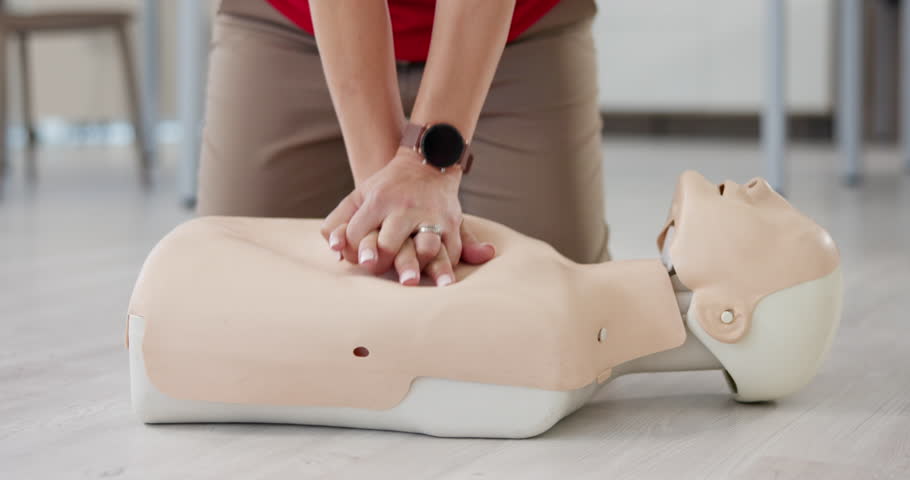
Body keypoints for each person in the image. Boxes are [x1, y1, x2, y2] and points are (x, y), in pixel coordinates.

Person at [127, 171, 843, 437]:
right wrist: (395, 171)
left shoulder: (544, 338)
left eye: (773, 215)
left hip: (185, 288)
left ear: (728, 317)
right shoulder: (552, 312)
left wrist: (427, 162)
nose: (756, 184)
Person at [196, 0, 610, 287]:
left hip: (516, 32)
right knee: (225, 293)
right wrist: (385, 211)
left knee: (561, 304)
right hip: (292, 26)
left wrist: (424, 164)